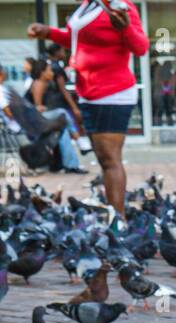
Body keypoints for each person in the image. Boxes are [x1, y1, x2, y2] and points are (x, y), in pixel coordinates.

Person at [29, 0, 149, 219]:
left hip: (112, 92)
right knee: (104, 160)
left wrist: (126, 28)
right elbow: (77, 39)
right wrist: (49, 33)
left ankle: (118, 220)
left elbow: (141, 47)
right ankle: (114, 215)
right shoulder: (88, 5)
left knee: (111, 160)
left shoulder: (120, 5)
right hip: (89, 92)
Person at [26, 58, 86, 171]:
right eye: (49, 71)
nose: (52, 73)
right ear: (42, 72)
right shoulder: (39, 84)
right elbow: (37, 107)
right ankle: (79, 140)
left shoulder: (45, 83)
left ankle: (72, 165)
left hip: (44, 118)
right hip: (39, 119)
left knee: (62, 133)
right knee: (62, 112)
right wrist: (42, 107)